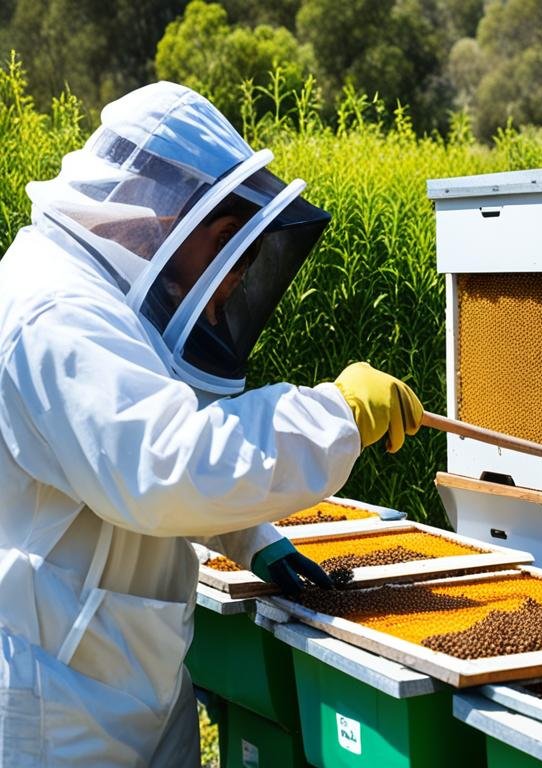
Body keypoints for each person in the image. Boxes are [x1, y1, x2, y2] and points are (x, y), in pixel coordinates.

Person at [0, 81, 423, 766]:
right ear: (172, 216)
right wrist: (335, 413)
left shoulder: (96, 292)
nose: (223, 293)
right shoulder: (58, 312)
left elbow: (133, 443)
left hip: (116, 668)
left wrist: (249, 537)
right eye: (226, 255)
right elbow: (164, 466)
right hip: (61, 705)